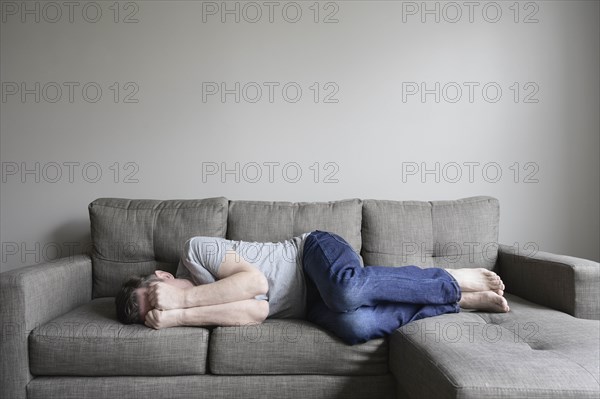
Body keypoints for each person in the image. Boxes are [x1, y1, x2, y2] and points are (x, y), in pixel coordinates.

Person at [116, 230, 509, 345]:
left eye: (153, 293)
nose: (162, 302)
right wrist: (178, 316)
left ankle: (450, 279)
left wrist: (182, 298)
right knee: (355, 328)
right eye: (156, 308)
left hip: (312, 255)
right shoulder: (190, 313)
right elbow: (259, 309)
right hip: (308, 305)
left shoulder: (194, 251)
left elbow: (255, 282)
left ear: (162, 277)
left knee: (346, 291)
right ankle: (459, 302)